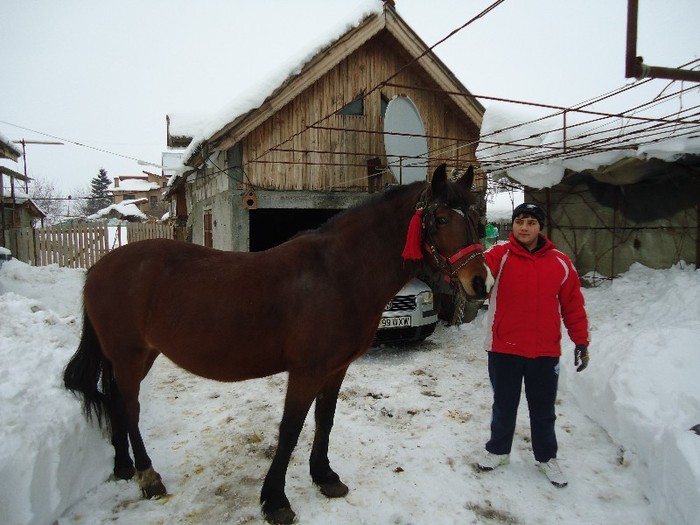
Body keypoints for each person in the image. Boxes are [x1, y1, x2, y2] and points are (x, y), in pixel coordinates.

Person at [477, 202, 590, 488]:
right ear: (513, 225)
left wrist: (581, 341)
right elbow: (475, 273)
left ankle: (546, 457)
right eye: (519, 221)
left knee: (543, 409)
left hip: (544, 351)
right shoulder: (498, 256)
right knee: (504, 405)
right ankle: (498, 451)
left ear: (541, 227)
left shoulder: (560, 262)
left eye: (530, 222)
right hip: (504, 347)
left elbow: (573, 306)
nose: (524, 227)